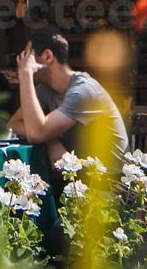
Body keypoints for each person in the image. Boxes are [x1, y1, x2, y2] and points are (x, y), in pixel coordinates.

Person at [9, 27, 129, 165]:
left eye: (27, 56)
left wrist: (25, 75)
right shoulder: (46, 90)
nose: (22, 62)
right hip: (79, 178)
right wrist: (51, 141)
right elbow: (13, 124)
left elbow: (36, 133)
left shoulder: (83, 91)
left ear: (48, 56)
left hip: (112, 180)